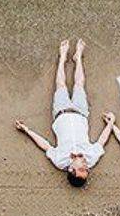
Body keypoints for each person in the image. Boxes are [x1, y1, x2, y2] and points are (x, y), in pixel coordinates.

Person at [15, 38, 113, 187]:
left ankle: (62, 58)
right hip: (80, 112)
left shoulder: (60, 161)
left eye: (82, 169)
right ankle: (78, 57)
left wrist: (27, 130)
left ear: (71, 170)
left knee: (60, 85)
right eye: (87, 170)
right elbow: (101, 141)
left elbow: (45, 146)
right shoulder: (91, 158)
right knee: (79, 84)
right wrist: (111, 124)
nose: (86, 166)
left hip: (61, 112)